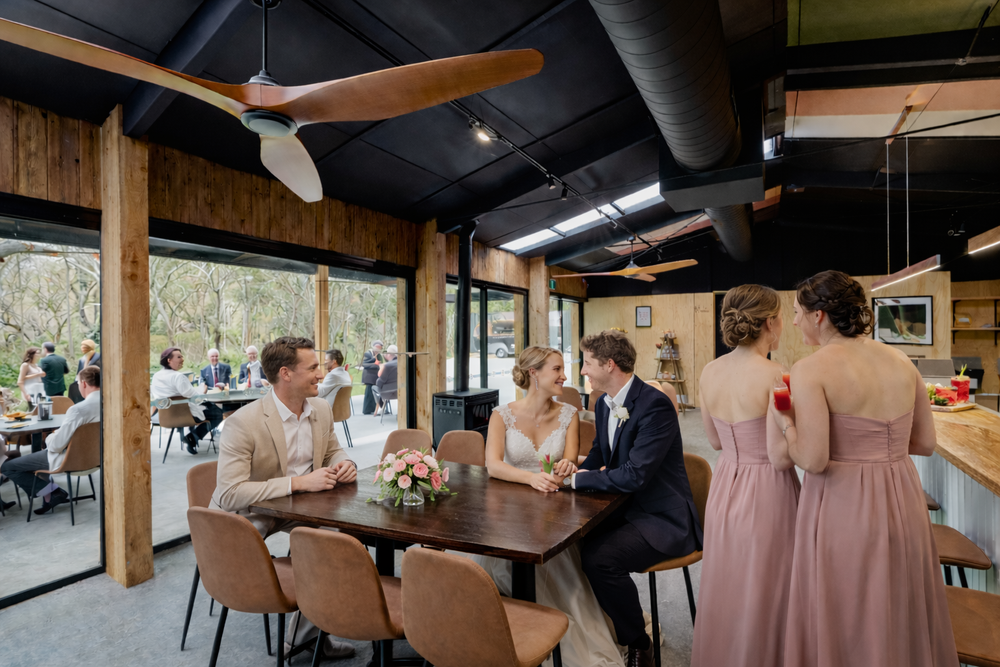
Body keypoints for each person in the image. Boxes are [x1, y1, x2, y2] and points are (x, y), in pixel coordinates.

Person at [771, 270, 957, 667]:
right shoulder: (901, 360)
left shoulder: (811, 369)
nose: (795, 322)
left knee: (848, 609)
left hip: (843, 503)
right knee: (897, 602)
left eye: (798, 312)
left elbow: (813, 459)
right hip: (902, 499)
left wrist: (786, 425)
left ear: (819, 315)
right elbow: (924, 443)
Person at [558, 329, 702, 667]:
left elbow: (635, 475)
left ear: (609, 364)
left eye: (587, 363)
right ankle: (596, 627)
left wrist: (578, 482)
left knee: (599, 559)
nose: (583, 370)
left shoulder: (655, 405)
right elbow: (599, 452)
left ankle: (639, 643)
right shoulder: (603, 403)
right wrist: (572, 473)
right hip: (622, 507)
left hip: (661, 516)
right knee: (568, 540)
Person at [210, 336, 358, 660]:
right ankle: (311, 629)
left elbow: (333, 450)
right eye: (313, 367)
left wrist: (345, 463)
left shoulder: (321, 408)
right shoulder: (243, 423)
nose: (321, 374)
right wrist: (298, 483)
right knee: (323, 549)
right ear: (286, 374)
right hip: (246, 516)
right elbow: (230, 493)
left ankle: (304, 640)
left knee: (337, 543)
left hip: (302, 508)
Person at [480, 346, 624, 667]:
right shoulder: (501, 415)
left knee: (558, 568)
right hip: (510, 512)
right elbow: (493, 465)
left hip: (553, 511)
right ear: (534, 373)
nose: (564, 376)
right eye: (557, 369)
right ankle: (508, 637)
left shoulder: (569, 414)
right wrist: (531, 478)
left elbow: (568, 462)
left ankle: (540, 636)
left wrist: (565, 468)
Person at [691, 285, 801, 667]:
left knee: (730, 581)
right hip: (768, 487)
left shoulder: (709, 371)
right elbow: (782, 454)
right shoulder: (778, 375)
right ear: (771, 322)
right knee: (770, 583)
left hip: (726, 484)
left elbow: (714, 441)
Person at [1, 365, 101, 515]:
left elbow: (55, 446)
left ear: (84, 383)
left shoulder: (78, 410)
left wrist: (49, 437)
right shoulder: (110, 404)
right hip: (96, 457)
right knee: (31, 461)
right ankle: (49, 496)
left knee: (8, 467)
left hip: (70, 459)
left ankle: (53, 492)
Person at [151, 348, 223, 455]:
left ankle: (192, 437)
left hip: (166, 416)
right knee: (217, 413)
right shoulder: (178, 377)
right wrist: (203, 390)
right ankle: (192, 437)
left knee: (209, 408)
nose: (182, 359)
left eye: (182, 356)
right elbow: (195, 397)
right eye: (179, 357)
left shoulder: (156, 376)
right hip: (185, 415)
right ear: (169, 360)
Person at [360, 340, 384, 415]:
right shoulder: (368, 354)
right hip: (369, 377)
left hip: (376, 377)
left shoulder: (379, 355)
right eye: (377, 347)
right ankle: (367, 410)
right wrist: (375, 363)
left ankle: (375, 408)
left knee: (374, 393)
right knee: (369, 394)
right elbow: (364, 364)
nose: (378, 349)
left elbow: (381, 363)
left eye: (379, 348)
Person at [373, 344, 398, 416]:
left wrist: (378, 380)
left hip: (388, 393)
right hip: (400, 391)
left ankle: (381, 407)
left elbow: (380, 381)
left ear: (389, 354)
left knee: (374, 387)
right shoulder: (403, 363)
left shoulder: (387, 366)